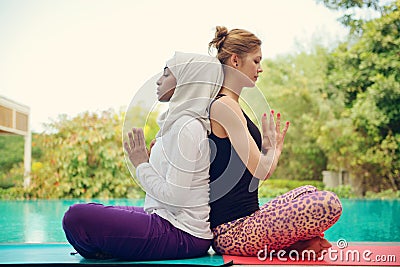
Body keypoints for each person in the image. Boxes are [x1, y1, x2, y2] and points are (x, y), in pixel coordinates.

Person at [62, 52, 224, 261]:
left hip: (182, 234)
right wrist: (153, 161)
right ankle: (111, 248)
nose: (158, 80)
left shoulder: (187, 127)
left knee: (77, 217)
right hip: (165, 220)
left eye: (166, 74)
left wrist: (141, 164)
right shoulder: (177, 125)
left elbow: (175, 199)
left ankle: (109, 249)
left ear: (187, 82)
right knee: (90, 210)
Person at [207, 26, 343, 257]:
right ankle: (294, 246)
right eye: (256, 61)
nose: (260, 69)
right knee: (329, 203)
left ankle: (294, 247)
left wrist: (269, 149)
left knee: (307, 191)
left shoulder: (232, 105)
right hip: (231, 232)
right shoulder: (224, 106)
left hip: (250, 220)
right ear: (235, 60)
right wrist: (273, 150)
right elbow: (261, 170)